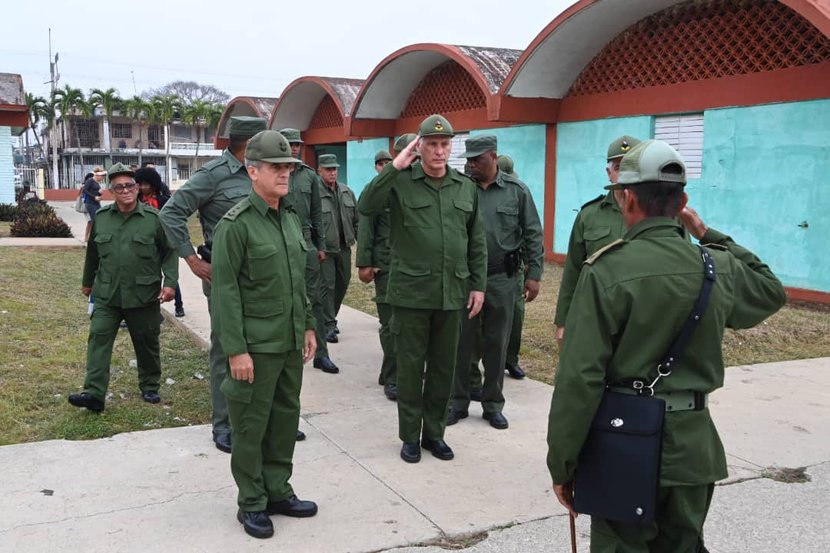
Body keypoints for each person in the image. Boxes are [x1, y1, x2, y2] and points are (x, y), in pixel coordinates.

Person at [546, 139, 787, 551]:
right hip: (694, 451)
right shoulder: (717, 266)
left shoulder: (607, 270)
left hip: (622, 443)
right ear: (683, 200)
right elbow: (770, 291)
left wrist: (563, 463)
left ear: (627, 199)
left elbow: (579, 379)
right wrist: (706, 233)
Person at [359, 114, 487, 463]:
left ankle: (435, 434)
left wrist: (478, 285)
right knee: (412, 368)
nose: (439, 151)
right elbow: (366, 206)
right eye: (432, 144)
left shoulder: (465, 187)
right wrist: (395, 167)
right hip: (411, 294)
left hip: (452, 294)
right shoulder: (401, 182)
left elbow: (476, 240)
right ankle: (409, 437)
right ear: (421, 146)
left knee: (444, 369)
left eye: (445, 144)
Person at [211, 130, 318, 539]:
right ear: (252, 171)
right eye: (276, 167)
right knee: (251, 426)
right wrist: (236, 351)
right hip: (255, 347)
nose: (285, 174)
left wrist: (307, 324)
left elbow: (297, 281)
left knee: (284, 420)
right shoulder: (235, 226)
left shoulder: (289, 218)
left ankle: (278, 490)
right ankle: (251, 502)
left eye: (288, 167)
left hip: (289, 342)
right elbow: (224, 295)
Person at [159, 116, 271, 453]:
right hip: (227, 278)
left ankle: (266, 421)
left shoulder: (265, 173)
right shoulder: (213, 175)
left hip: (265, 277)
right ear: (248, 143)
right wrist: (191, 259)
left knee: (267, 348)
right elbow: (171, 213)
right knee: (227, 348)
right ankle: (224, 424)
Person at [449, 135, 543, 430]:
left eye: (478, 159)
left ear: (493, 156)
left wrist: (534, 274)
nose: (471, 165)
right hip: (466, 279)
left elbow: (532, 232)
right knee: (462, 343)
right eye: (469, 160)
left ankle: (492, 404)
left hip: (503, 278)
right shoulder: (462, 188)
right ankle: (459, 401)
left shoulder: (517, 191)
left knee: (496, 344)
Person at [68, 163, 178, 412]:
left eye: (129, 185)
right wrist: (87, 283)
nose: (125, 190)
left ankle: (149, 385)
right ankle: (94, 393)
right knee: (98, 338)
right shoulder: (103, 220)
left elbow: (169, 252)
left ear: (137, 188)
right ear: (111, 191)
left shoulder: (153, 219)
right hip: (107, 293)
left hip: (143, 294)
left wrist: (170, 283)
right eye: (119, 187)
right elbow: (93, 255)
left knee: (147, 341)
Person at [553, 136, 640, 348]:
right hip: (597, 315)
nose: (625, 173)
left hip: (644, 316)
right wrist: (563, 321)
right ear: (609, 173)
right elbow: (573, 271)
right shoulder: (589, 215)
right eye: (619, 166)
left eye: (632, 165)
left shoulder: (662, 213)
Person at [278, 128, 333, 375]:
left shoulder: (309, 176)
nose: (295, 147)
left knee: (315, 300)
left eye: (298, 143)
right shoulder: (276, 172)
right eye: (290, 143)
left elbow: (317, 214)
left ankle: (322, 353)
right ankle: (283, 351)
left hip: (306, 241)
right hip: (279, 239)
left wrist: (320, 245)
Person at [356, 148, 397, 400]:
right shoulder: (374, 192)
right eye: (380, 163)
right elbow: (366, 230)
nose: (383, 166)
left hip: (409, 266)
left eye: (387, 162)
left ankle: (394, 372)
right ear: (376, 167)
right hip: (385, 266)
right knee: (390, 325)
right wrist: (364, 263)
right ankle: (392, 378)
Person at [317, 154, 358, 347]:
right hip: (325, 249)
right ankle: (328, 325)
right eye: (328, 169)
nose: (332, 172)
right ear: (320, 171)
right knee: (328, 287)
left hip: (344, 247)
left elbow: (356, 220)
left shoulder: (347, 192)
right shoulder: (314, 193)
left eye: (335, 169)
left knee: (343, 283)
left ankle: (330, 318)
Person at [136, 167, 185, 318]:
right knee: (147, 277)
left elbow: (174, 217)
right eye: (141, 184)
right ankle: (148, 309)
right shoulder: (136, 202)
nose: (144, 187)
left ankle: (179, 305)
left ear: (153, 184)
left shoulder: (163, 200)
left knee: (170, 275)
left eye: (147, 184)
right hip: (144, 242)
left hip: (164, 241)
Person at [82, 167, 107, 242]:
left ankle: (91, 237)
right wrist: (94, 197)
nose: (102, 178)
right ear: (97, 175)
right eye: (101, 176)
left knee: (98, 219)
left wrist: (99, 193)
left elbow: (95, 192)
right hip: (90, 203)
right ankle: (93, 238)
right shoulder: (90, 180)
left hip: (96, 203)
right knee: (94, 220)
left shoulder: (96, 183)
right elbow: (84, 190)